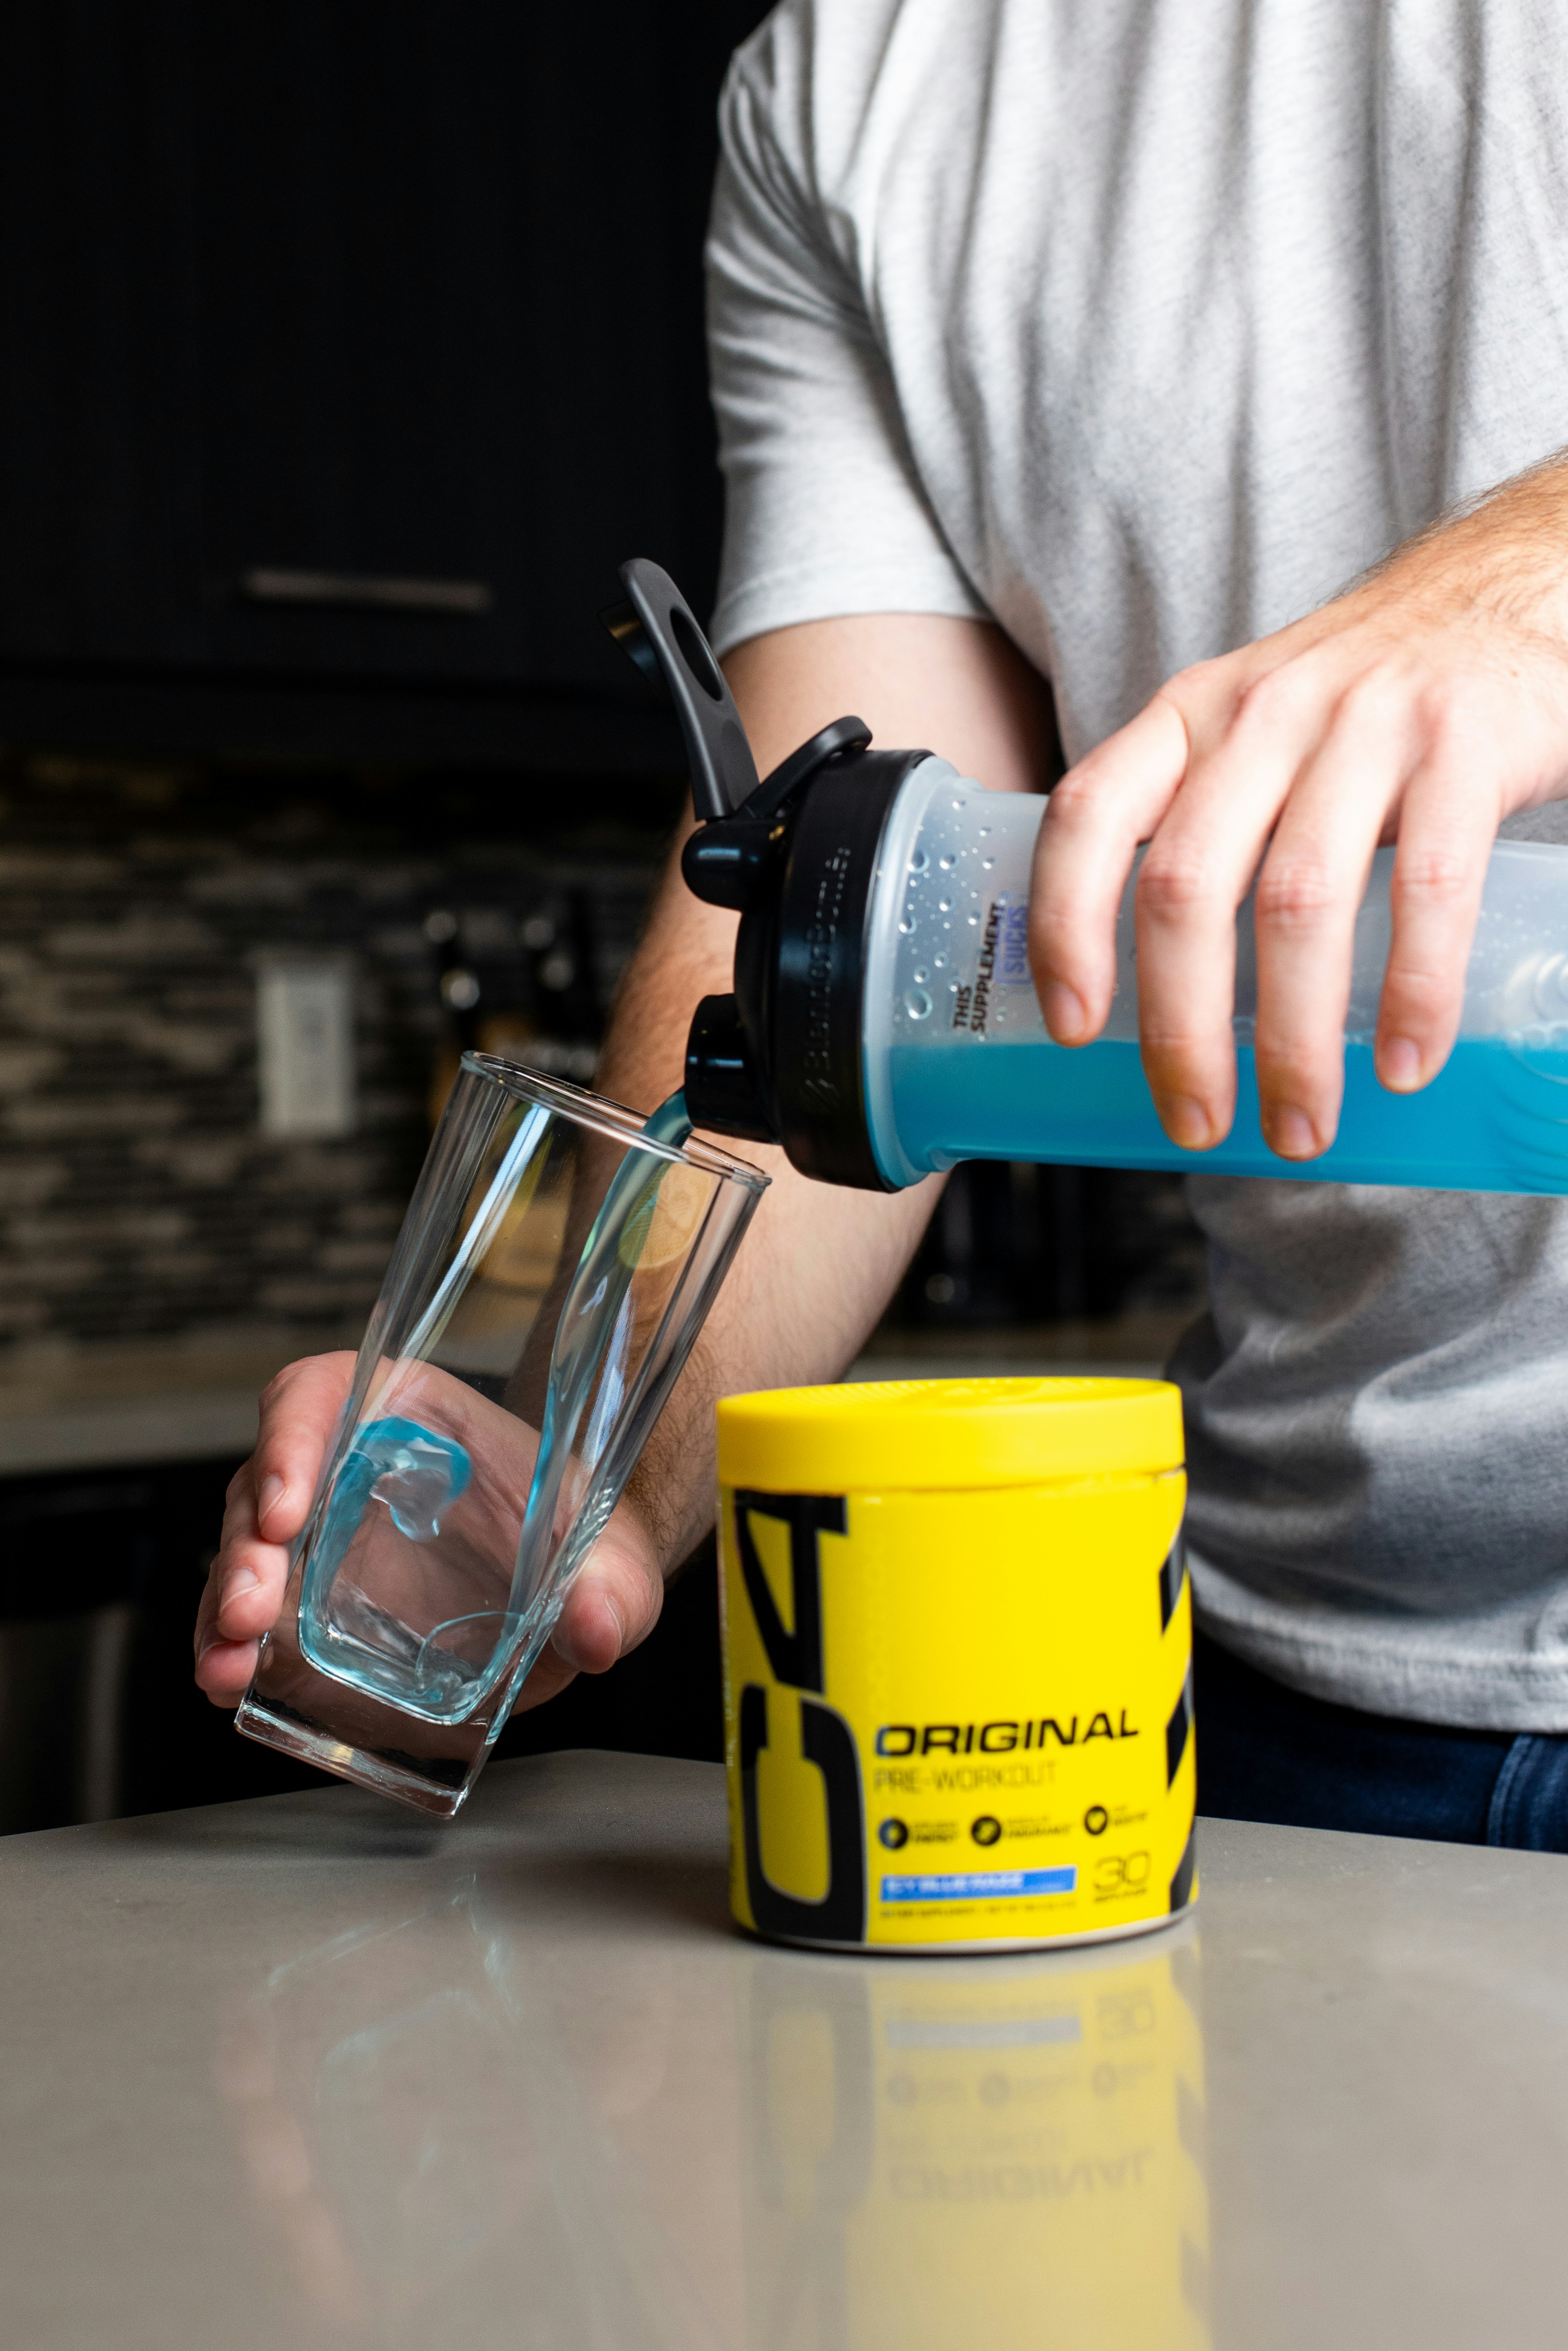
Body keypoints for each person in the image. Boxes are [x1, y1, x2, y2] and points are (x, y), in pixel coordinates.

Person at [197, 1, 1568, 1846]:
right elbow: (831, 935)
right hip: (1299, 1681)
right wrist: (598, 1461)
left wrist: (1529, 573)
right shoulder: (864, 80)